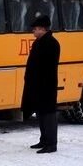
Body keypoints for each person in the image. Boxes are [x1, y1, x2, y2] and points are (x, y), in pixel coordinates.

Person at [21, 15, 61, 154]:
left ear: (42, 29)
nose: (33, 31)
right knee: (41, 113)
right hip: (37, 85)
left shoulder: (51, 43)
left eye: (35, 29)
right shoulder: (39, 42)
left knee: (48, 114)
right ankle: (44, 140)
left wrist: (38, 81)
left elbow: (47, 67)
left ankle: (51, 144)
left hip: (46, 85)